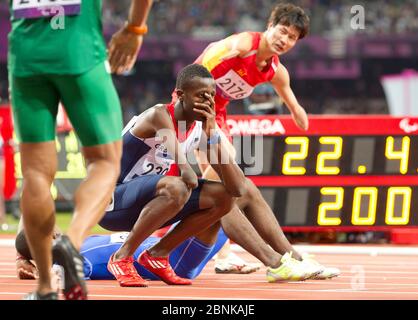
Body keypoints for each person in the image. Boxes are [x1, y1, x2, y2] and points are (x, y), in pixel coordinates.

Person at [8, 0, 153, 300]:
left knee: (35, 173)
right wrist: (135, 28)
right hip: (78, 49)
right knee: (105, 163)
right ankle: (71, 245)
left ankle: (46, 287)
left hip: (24, 54)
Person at [182, 3, 338, 279]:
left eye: (291, 37)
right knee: (226, 170)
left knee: (217, 181)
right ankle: (200, 226)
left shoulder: (276, 71)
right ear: (270, 25)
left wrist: (299, 114)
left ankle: (223, 253)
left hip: (217, 114)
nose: (284, 39)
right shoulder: (244, 43)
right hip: (192, 106)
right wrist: (216, 63)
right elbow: (207, 60)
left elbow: (292, 103)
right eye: (282, 30)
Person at [99, 64, 247, 287]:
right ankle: (121, 258)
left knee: (224, 197)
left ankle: (157, 254)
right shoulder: (157, 115)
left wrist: (212, 133)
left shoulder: (199, 129)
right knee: (178, 186)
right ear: (180, 95)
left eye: (211, 96)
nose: (207, 102)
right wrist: (192, 164)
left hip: (144, 205)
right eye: (201, 95)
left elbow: (237, 188)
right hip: (109, 202)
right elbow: (186, 171)